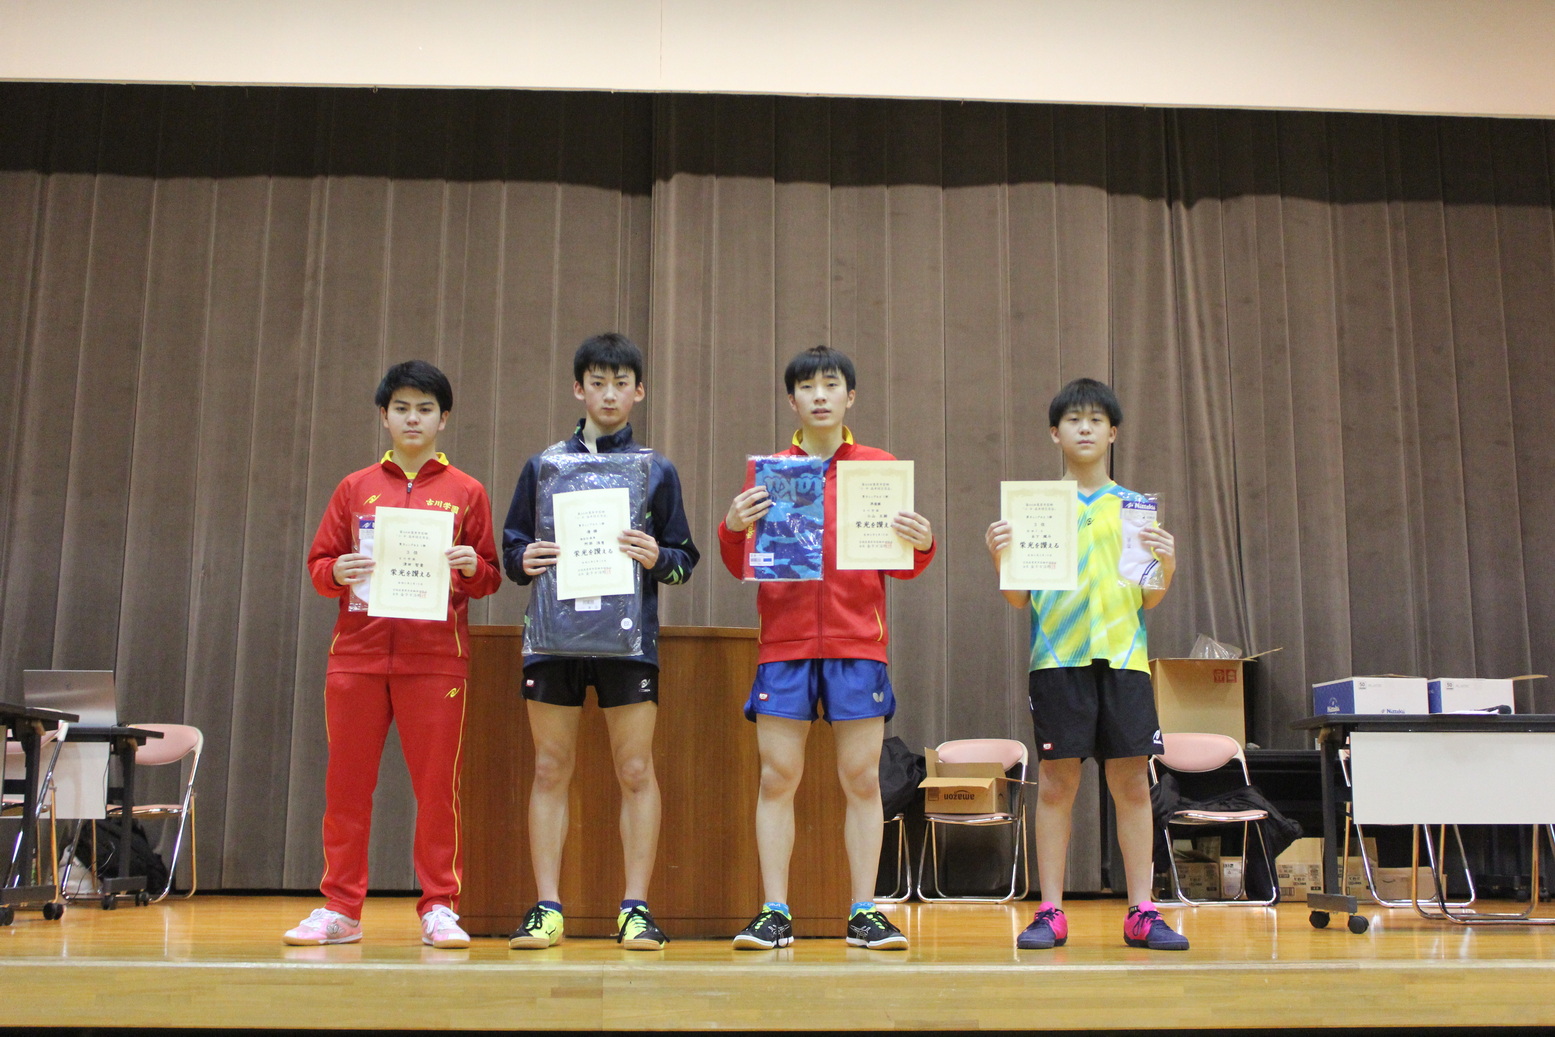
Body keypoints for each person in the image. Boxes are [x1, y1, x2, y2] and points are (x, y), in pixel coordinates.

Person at [718, 345, 936, 951]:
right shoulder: (770, 473)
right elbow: (741, 563)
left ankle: (865, 911)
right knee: (777, 777)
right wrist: (732, 528)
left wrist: (921, 542)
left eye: (831, 384)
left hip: (857, 643)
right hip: (784, 645)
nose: (820, 395)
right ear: (792, 400)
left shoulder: (878, 469)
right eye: (808, 386)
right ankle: (775, 912)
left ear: (850, 396)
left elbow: (904, 565)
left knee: (862, 779)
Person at [287, 360, 503, 949]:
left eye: (425, 409)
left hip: (436, 660)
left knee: (437, 790)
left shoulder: (467, 492)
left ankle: (440, 906)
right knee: (346, 788)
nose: (413, 419)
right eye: (402, 408)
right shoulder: (354, 487)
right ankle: (341, 908)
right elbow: (319, 565)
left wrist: (471, 567)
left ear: (444, 419)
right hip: (356, 657)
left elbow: (489, 576)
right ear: (384, 415)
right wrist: (338, 570)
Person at [501, 332, 698, 952]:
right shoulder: (542, 466)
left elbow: (683, 562)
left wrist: (658, 556)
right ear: (578, 388)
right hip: (552, 640)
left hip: (628, 643)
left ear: (639, 392)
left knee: (635, 769)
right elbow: (511, 551)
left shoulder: (655, 469)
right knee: (549, 767)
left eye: (621, 383)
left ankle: (635, 908)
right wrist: (523, 559)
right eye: (597, 382)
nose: (609, 394)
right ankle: (547, 907)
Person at [984, 377, 1188, 951]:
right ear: (1055, 433)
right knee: (1056, 782)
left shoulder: (1135, 508)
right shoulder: (1036, 509)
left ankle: (1142, 910)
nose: (1085, 429)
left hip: (1125, 661)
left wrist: (1168, 565)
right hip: (1058, 660)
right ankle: (1050, 910)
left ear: (1113, 432)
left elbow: (1150, 598)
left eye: (1096, 420)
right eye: (1073, 420)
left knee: (1132, 783)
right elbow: (1017, 598)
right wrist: (1002, 556)